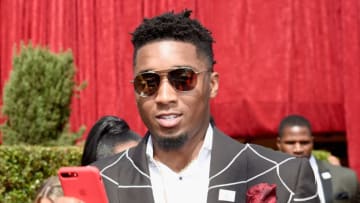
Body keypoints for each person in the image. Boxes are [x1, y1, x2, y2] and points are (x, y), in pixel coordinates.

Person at [59, 9, 319, 203]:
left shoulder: (283, 175)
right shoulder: (103, 180)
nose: (164, 96)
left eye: (182, 79)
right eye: (148, 82)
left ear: (213, 84)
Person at [277, 114, 359, 203]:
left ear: (312, 142)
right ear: (279, 143)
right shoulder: (262, 179)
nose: (298, 149)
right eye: (290, 143)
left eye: (304, 142)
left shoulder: (345, 177)